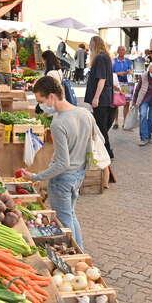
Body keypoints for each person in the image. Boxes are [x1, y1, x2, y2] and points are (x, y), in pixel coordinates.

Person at [20, 76, 95, 250]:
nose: (40, 106)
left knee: (64, 222)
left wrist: (36, 176)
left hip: (63, 179)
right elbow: (91, 147)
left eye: (41, 101)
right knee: (71, 215)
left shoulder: (59, 122)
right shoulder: (84, 113)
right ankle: (80, 252)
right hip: (78, 175)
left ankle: (74, 257)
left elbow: (62, 163)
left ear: (52, 97)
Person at [84, 36, 114, 159]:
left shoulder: (100, 58)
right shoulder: (105, 57)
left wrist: (96, 98)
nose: (89, 47)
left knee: (100, 126)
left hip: (101, 98)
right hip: (105, 97)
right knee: (101, 125)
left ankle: (107, 152)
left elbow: (102, 79)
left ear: (94, 45)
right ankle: (105, 151)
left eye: (90, 45)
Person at [112, 46, 133, 129]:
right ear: (117, 51)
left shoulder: (128, 61)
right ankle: (116, 122)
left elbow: (131, 71)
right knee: (115, 103)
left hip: (127, 84)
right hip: (117, 84)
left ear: (125, 51)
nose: (121, 51)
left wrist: (129, 72)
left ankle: (125, 122)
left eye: (123, 50)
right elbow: (110, 73)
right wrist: (118, 74)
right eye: (120, 50)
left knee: (127, 103)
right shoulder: (113, 61)